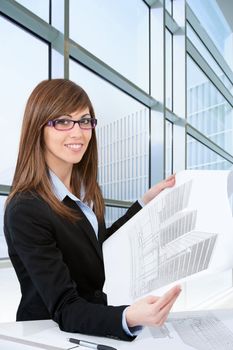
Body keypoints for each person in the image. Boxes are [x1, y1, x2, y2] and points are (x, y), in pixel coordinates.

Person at [4, 79, 181, 341]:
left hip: (89, 327)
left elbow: (96, 247)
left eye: (85, 121)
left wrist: (144, 204)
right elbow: (65, 308)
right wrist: (129, 316)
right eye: (63, 121)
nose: (78, 132)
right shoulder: (26, 209)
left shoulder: (83, 191)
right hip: (47, 336)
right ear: (38, 128)